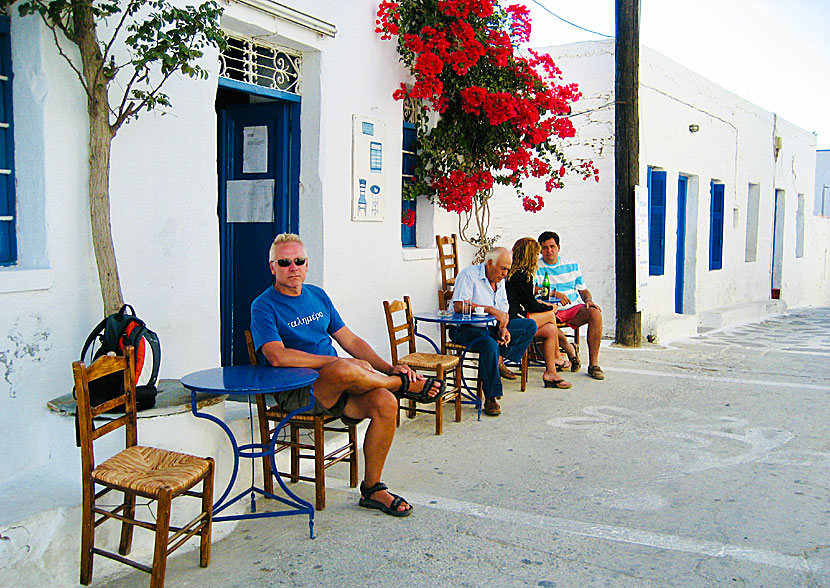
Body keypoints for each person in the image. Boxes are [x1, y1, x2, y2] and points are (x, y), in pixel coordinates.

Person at [250, 233, 444, 517]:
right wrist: (335, 364)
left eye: (299, 261)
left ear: (307, 265)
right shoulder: (263, 305)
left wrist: (388, 367)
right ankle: (401, 385)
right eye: (284, 262)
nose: (293, 267)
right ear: (272, 267)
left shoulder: (317, 295)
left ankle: (373, 489)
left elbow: (351, 341)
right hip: (298, 392)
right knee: (342, 366)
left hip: (339, 388)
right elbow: (277, 356)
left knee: (386, 403)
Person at [450, 247, 537, 416]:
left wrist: (504, 329)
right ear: (490, 263)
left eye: (507, 270)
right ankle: (491, 397)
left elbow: (503, 310)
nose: (505, 273)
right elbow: (459, 306)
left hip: (491, 328)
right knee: (489, 345)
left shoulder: (500, 280)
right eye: (503, 268)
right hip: (465, 329)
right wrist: (489, 310)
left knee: (528, 326)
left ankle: (498, 359)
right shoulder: (469, 275)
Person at [536, 231, 605, 380]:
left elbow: (583, 289)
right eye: (545, 247)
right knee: (549, 321)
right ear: (540, 250)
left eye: (552, 246)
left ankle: (594, 364)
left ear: (559, 247)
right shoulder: (536, 267)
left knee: (595, 313)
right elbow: (533, 290)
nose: (549, 251)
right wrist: (554, 293)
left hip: (573, 308)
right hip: (550, 309)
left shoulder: (571, 265)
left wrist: (588, 301)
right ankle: (569, 348)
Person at [506, 238, 572, 389]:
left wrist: (544, 304)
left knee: (550, 329)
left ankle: (551, 372)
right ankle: (556, 356)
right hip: (517, 318)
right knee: (550, 316)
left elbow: (527, 300)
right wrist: (550, 308)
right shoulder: (523, 275)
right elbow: (531, 304)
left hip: (519, 313)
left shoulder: (515, 273)